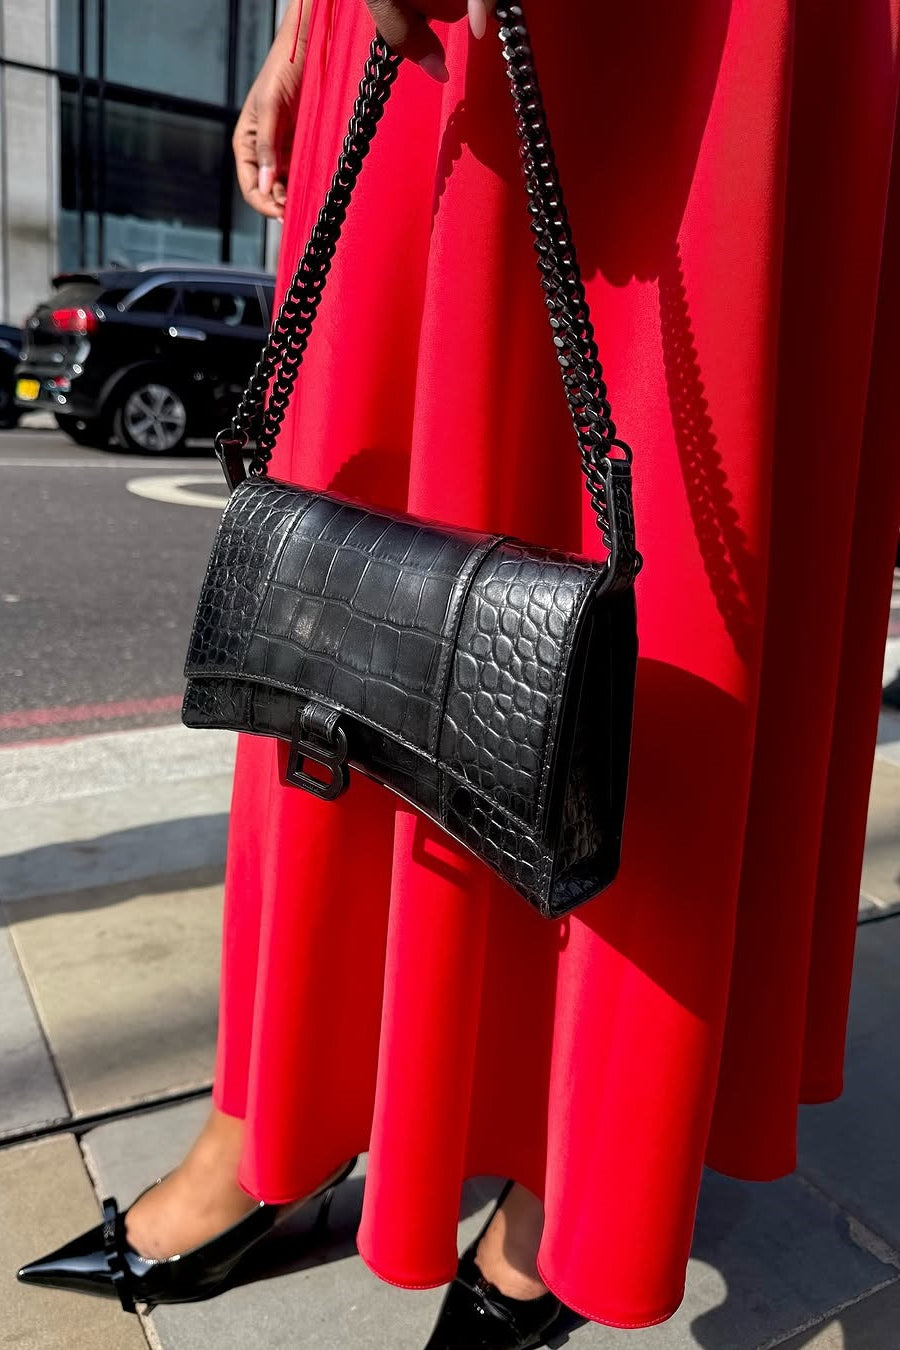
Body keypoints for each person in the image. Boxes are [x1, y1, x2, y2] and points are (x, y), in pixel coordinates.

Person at [18, 0, 900, 1344]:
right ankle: (280, 1118)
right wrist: (295, 26)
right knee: (342, 579)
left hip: (713, 35)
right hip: (418, 43)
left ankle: (577, 1188)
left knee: (665, 569)